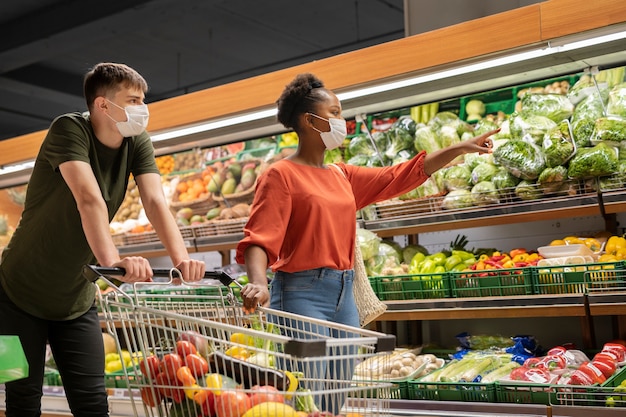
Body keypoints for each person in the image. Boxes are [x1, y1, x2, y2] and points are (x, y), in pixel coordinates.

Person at [0, 62, 206, 417]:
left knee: (93, 403)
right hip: (12, 297)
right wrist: (114, 263)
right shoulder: (68, 128)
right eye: (134, 100)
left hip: (75, 300)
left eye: (144, 100)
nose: (143, 108)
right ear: (102, 105)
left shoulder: (136, 141)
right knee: (20, 399)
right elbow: (88, 198)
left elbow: (156, 201)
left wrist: (181, 259)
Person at [236, 73, 498, 325]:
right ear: (310, 121)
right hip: (301, 292)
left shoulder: (342, 175)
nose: (342, 120)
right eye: (335, 113)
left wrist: (459, 148)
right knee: (308, 371)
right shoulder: (280, 174)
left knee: (345, 371)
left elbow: (400, 174)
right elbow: (259, 238)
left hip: (345, 292)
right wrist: (259, 283)